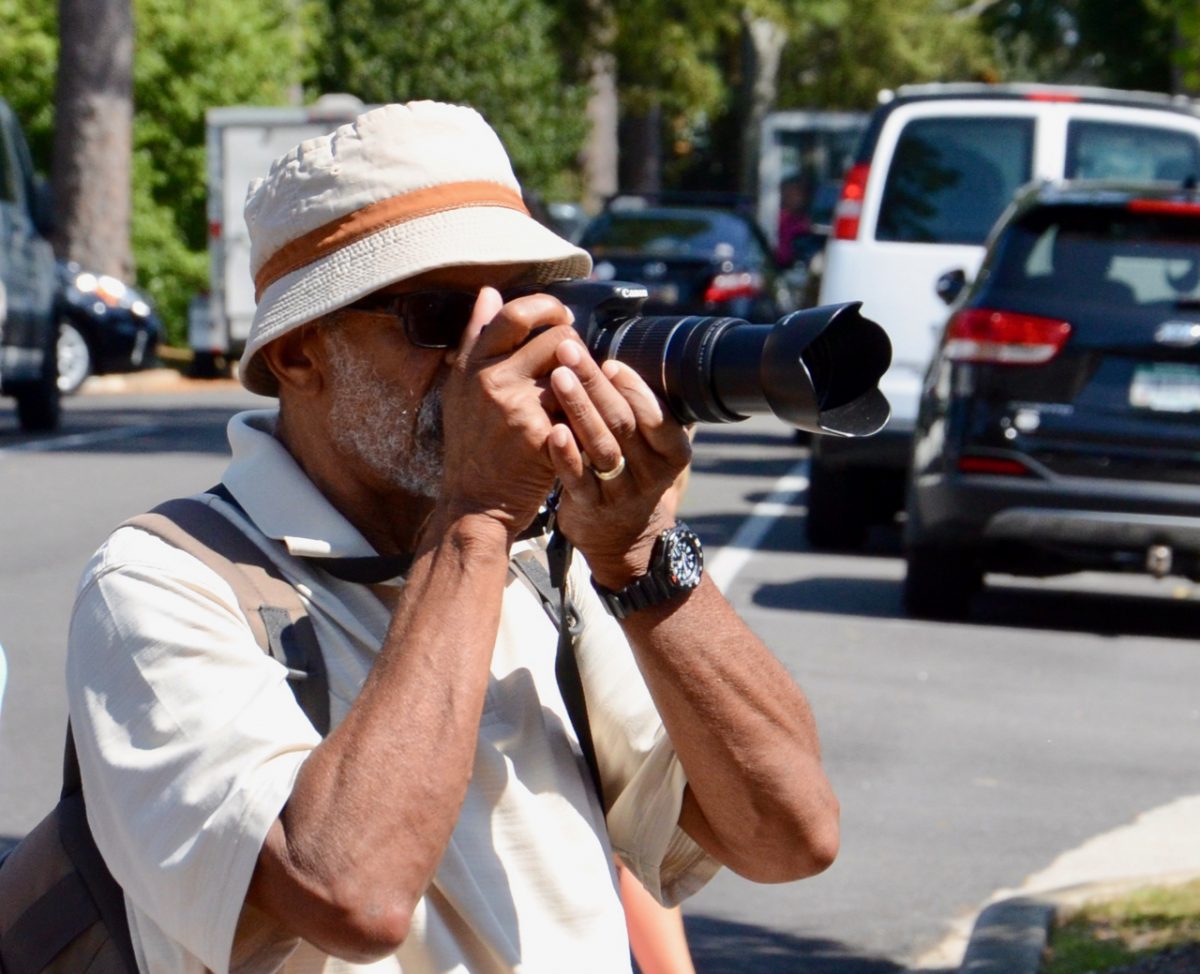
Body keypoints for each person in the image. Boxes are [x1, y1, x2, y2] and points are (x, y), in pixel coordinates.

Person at [65, 100, 838, 974]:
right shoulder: (166, 583)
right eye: (441, 315)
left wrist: (640, 554)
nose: (493, 349)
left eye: (520, 306)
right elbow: (351, 893)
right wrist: (472, 518)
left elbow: (789, 837)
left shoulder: (548, 562)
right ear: (297, 354)